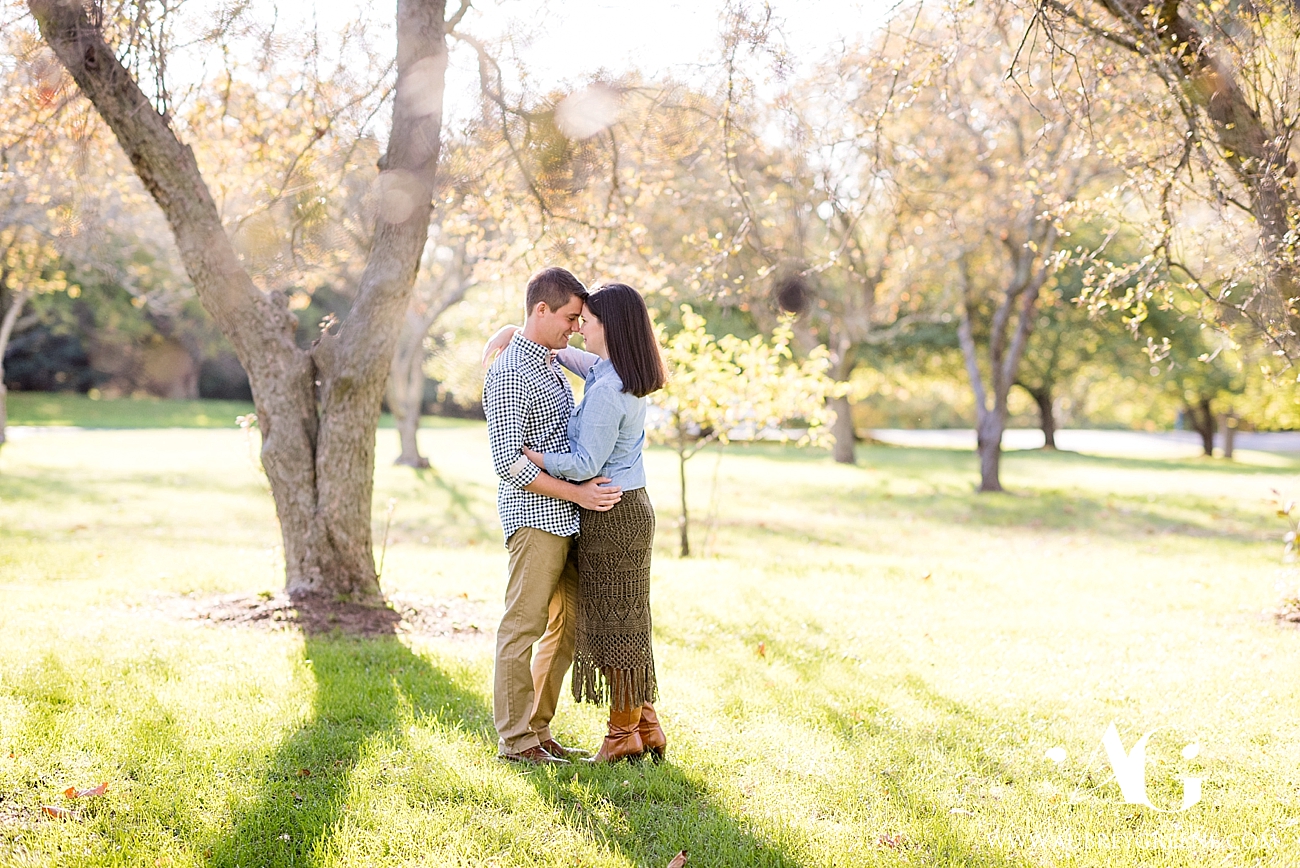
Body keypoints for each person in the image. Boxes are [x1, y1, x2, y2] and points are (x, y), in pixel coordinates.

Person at [485, 283, 668, 763]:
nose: (577, 327)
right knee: (523, 625)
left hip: (582, 517)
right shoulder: (510, 372)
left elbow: (584, 451)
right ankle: (517, 740)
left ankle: (539, 730)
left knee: (571, 629)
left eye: (584, 320)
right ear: (541, 311)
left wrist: (578, 494)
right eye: (571, 317)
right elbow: (511, 465)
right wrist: (577, 490)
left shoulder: (566, 363)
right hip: (539, 516)